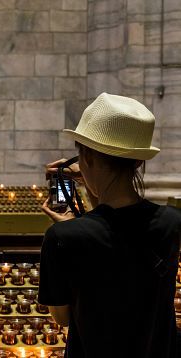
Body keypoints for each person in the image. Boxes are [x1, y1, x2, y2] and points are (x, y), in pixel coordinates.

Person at [39, 93, 181, 357]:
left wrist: (72, 227)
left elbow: (63, 318)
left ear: (87, 157)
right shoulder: (171, 223)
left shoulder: (62, 237)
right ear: (139, 161)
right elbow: (120, 229)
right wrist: (94, 187)